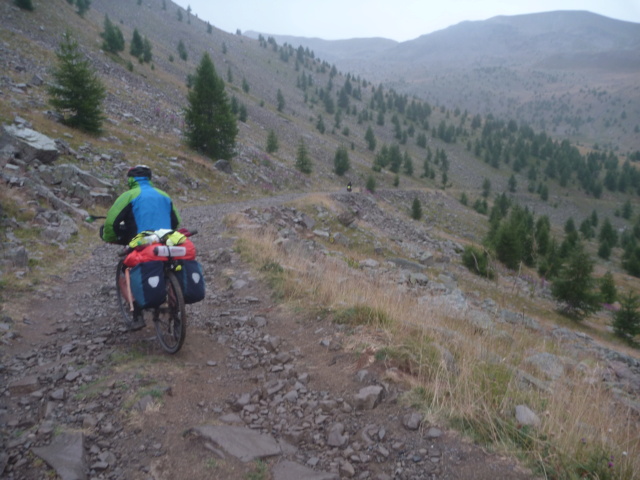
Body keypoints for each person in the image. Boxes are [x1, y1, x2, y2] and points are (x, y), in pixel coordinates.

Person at [101, 165, 181, 245]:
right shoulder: (164, 195)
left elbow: (110, 223)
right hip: (164, 240)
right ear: (149, 178)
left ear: (130, 179)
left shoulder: (128, 196)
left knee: (104, 230)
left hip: (140, 242)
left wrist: (111, 238)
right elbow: (176, 221)